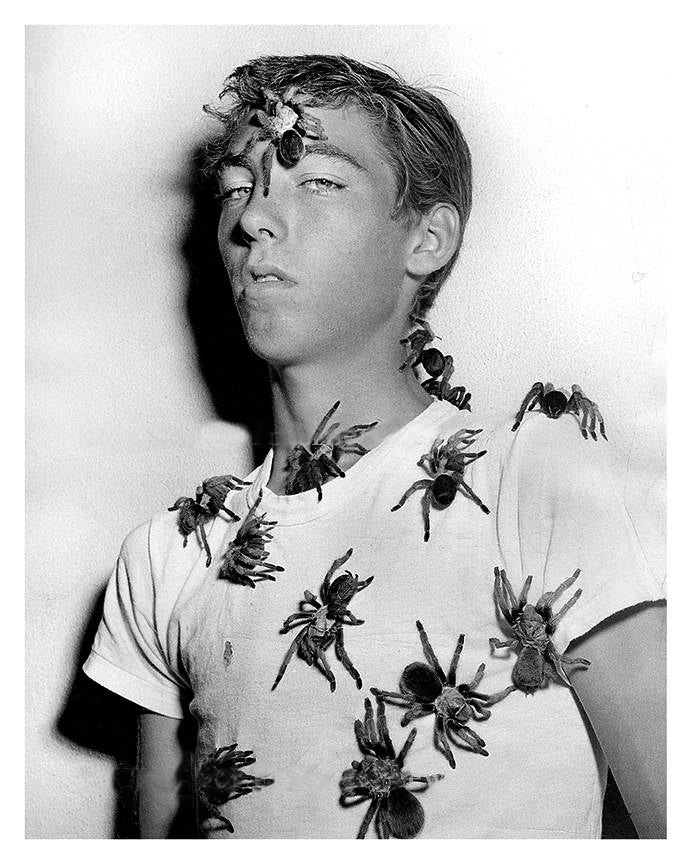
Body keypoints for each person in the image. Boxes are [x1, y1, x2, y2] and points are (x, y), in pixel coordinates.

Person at [83, 54, 666, 839]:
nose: (252, 219)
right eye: (236, 187)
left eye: (318, 181)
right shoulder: (168, 556)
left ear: (426, 238)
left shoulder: (539, 479)